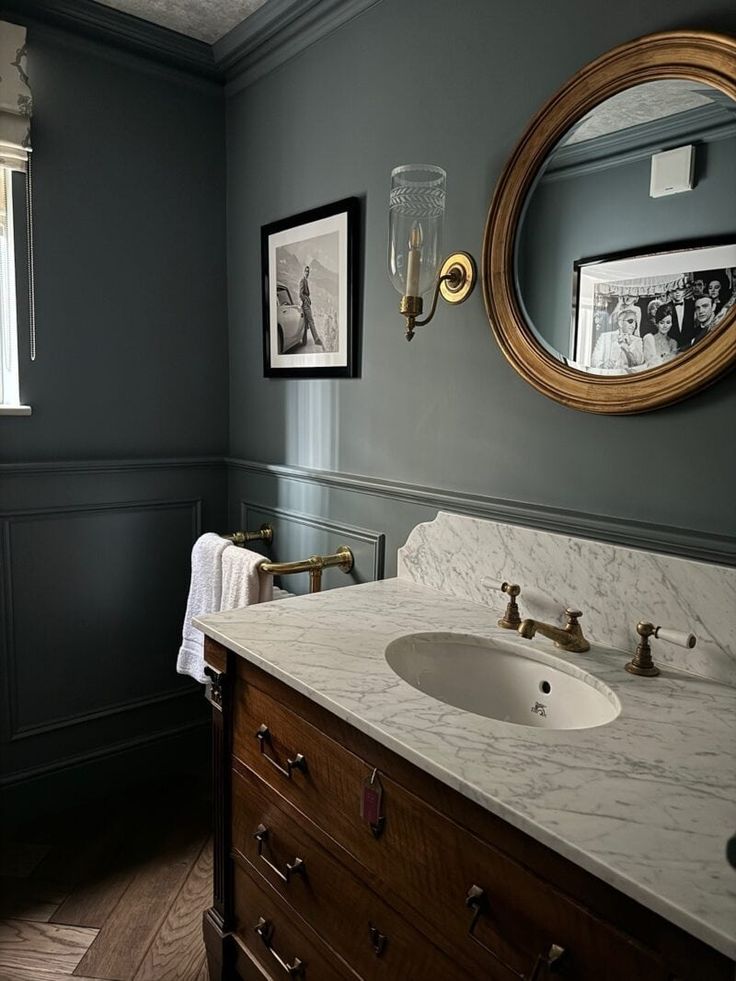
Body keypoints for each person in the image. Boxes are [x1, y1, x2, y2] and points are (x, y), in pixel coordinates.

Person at [590, 306, 644, 371]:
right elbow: (594, 359)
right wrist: (602, 365)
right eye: (630, 321)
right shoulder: (605, 337)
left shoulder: (637, 340)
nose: (633, 325)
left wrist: (630, 346)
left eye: (635, 322)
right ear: (620, 323)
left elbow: (639, 362)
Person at [642, 303, 678, 368]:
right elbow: (648, 363)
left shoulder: (673, 343)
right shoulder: (650, 339)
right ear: (657, 323)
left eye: (668, 322)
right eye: (662, 322)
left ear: (671, 324)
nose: (665, 326)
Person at [298, 265, 323, 346]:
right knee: (311, 321)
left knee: (305, 322)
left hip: (306, 303)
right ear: (303, 272)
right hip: (306, 304)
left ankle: (303, 340)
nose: (307, 273)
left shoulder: (306, 280)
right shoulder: (302, 280)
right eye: (306, 271)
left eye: (308, 272)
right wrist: (305, 300)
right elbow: (300, 294)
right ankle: (316, 339)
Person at [668, 279, 694, 349]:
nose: (677, 293)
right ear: (670, 292)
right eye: (674, 290)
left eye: (680, 289)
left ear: (684, 290)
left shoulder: (691, 304)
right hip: (673, 345)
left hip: (690, 343)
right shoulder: (667, 307)